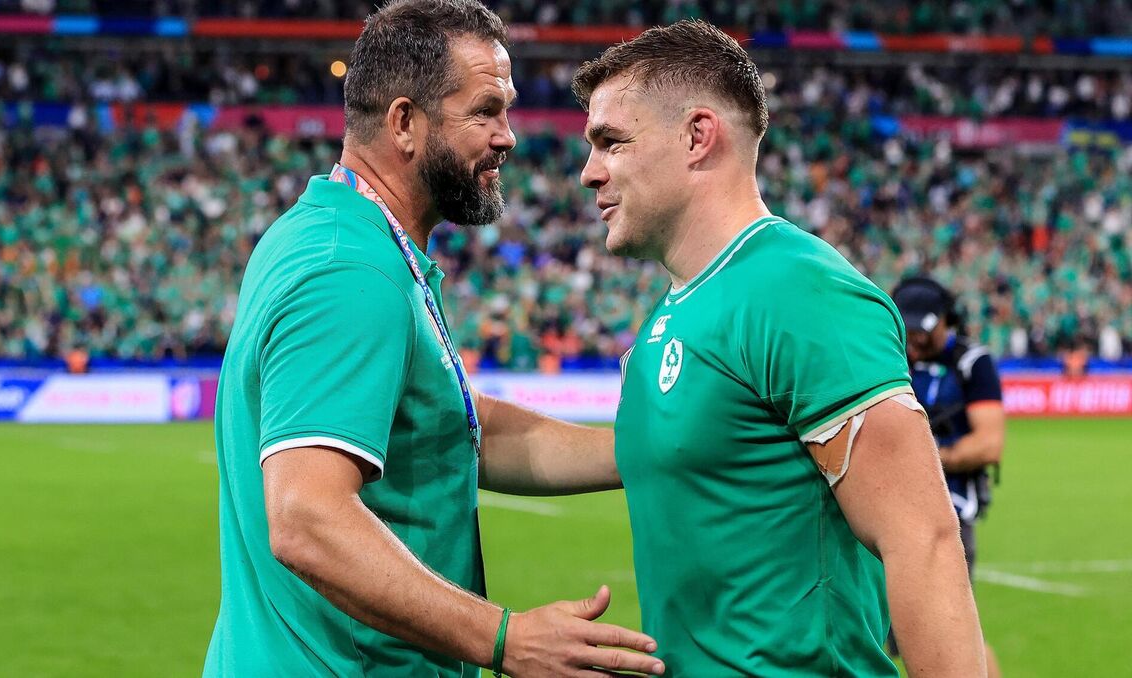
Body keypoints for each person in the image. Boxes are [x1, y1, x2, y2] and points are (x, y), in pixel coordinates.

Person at [202, 1, 665, 676]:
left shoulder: (337, 236)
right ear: (404, 123)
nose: (508, 136)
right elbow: (305, 514)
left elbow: (454, 431)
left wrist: (647, 452)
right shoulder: (350, 272)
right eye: (485, 111)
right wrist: (502, 638)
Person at [573, 20, 986, 676]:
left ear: (696, 136)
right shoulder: (676, 310)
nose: (589, 171)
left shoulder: (798, 292)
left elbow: (925, 543)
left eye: (611, 142)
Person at [893, 275, 1006, 677]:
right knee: (886, 633)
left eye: (924, 328)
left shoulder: (971, 363)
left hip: (950, 511)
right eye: (909, 328)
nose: (916, 339)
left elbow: (989, 444)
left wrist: (922, 457)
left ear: (946, 320)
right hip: (887, 513)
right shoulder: (888, 356)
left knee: (952, 637)